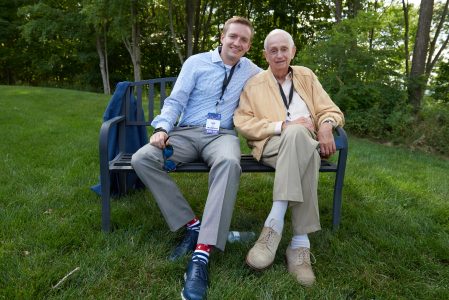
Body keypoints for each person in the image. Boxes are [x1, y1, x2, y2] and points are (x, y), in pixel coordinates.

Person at [131, 16, 260, 300]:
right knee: (142, 158)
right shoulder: (195, 63)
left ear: (249, 46)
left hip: (222, 135)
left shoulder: (251, 70)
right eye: (233, 36)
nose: (237, 43)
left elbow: (279, 82)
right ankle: (192, 224)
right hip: (186, 132)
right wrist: (163, 128)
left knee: (229, 162)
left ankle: (201, 254)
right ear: (222, 37)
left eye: (244, 40)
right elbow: (176, 100)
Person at [233, 29, 344, 287]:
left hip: (304, 144)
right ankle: (299, 244)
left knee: (300, 141)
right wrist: (282, 125)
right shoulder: (255, 84)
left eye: (284, 49)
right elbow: (243, 122)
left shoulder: (306, 76)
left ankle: (273, 227)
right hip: (271, 145)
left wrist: (326, 126)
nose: (279, 54)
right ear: (265, 55)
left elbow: (329, 109)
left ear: (293, 52)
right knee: (297, 135)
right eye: (273, 50)